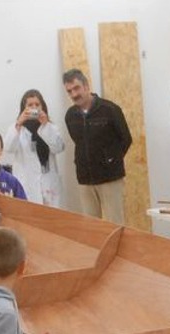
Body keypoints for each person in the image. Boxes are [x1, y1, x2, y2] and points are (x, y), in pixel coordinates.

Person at [62, 68, 132, 223]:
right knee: (92, 227)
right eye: (69, 91)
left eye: (76, 88)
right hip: (85, 179)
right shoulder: (70, 116)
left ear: (86, 86)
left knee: (115, 224)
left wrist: (110, 160)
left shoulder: (110, 110)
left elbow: (126, 139)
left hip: (110, 179)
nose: (74, 94)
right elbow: (79, 142)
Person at [3, 89, 66, 208]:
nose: (34, 108)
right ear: (23, 108)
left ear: (43, 107)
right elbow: (9, 148)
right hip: (27, 182)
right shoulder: (17, 129)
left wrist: (45, 125)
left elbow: (58, 148)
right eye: (30, 105)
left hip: (49, 182)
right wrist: (18, 123)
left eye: (37, 105)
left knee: (51, 218)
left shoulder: (50, 127)